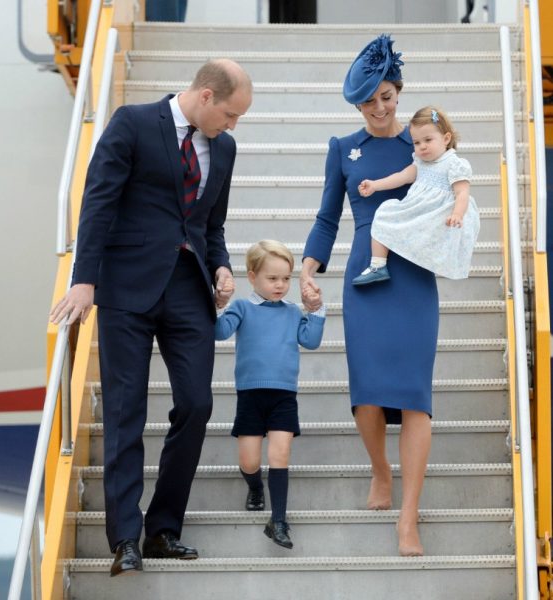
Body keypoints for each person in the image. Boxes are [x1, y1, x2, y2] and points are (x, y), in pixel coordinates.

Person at [50, 59, 253, 576]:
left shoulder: (224, 149)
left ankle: (163, 528)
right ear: (205, 96)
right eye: (230, 114)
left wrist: (223, 266)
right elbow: (99, 200)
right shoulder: (133, 122)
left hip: (189, 289)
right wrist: (84, 277)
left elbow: (212, 222)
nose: (233, 126)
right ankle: (125, 539)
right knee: (125, 409)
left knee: (196, 403)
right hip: (127, 286)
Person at [300, 34, 437, 557]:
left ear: (398, 90)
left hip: (415, 275)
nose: (381, 108)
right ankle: (382, 470)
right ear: (356, 104)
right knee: (367, 396)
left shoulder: (423, 143)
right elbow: (327, 217)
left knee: (416, 400)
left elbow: (452, 188)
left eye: (387, 95)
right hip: (365, 274)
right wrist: (308, 269)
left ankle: (409, 516)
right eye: (369, 101)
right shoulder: (342, 149)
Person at [215, 240, 325, 549]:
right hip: (250, 395)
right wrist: (217, 303)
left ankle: (278, 521)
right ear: (252, 277)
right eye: (272, 278)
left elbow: (311, 341)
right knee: (250, 460)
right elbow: (219, 332)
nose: (280, 285)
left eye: (286, 279)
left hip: (283, 396)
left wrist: (315, 310)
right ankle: (254, 487)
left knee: (280, 454)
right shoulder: (242, 307)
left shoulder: (292, 312)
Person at [352, 105, 480, 286]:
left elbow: (462, 193)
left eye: (428, 139)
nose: (422, 146)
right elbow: (401, 177)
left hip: (439, 215)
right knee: (385, 212)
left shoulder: (454, 164)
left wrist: (457, 214)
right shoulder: (420, 163)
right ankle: (378, 265)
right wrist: (375, 185)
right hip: (418, 212)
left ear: (446, 138)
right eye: (417, 142)